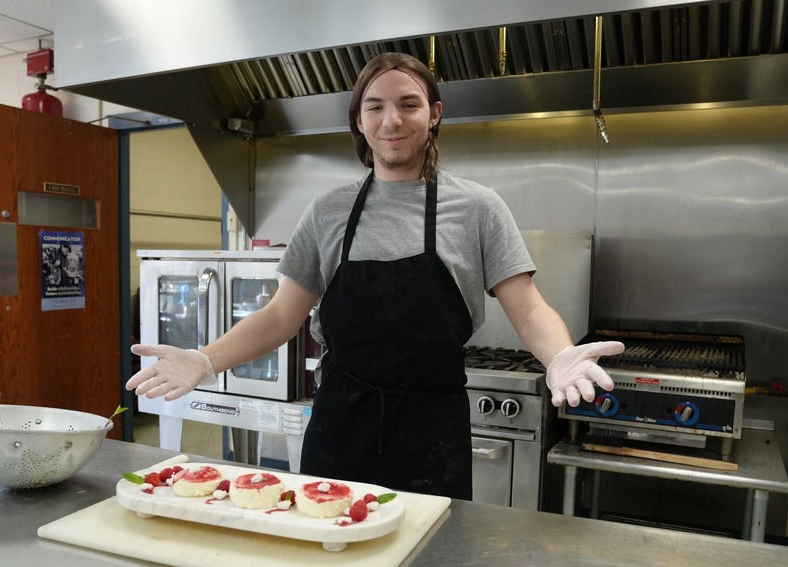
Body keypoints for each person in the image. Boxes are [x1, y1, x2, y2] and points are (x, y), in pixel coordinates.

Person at [126, 52, 624, 500]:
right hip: (340, 424)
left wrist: (559, 356)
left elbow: (529, 307)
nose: (392, 120)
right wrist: (202, 359)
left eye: (409, 104)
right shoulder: (328, 212)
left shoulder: (477, 208)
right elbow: (280, 316)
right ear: (359, 121)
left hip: (433, 430)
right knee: (330, 563)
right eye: (375, 107)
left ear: (434, 114)